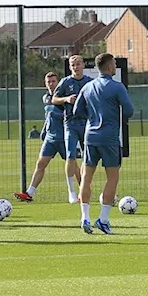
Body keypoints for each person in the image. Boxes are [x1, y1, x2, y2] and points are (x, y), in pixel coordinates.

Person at [73, 53, 134, 234]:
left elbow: (77, 110)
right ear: (109, 67)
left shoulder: (87, 86)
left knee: (86, 178)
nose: (115, 65)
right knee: (112, 177)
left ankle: (84, 217)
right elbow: (129, 111)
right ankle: (103, 219)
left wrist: (93, 117)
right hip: (109, 138)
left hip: (90, 137)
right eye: (114, 63)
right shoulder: (117, 87)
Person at [15, 72, 67, 202]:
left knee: (72, 166)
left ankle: (83, 192)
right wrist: (44, 130)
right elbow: (48, 116)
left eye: (53, 81)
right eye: (48, 82)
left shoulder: (62, 98)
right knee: (41, 163)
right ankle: (29, 193)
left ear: (58, 82)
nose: (51, 84)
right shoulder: (45, 98)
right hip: (50, 138)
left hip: (63, 137)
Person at [52, 55, 91, 204]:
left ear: (83, 65)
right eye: (73, 65)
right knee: (70, 156)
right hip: (70, 124)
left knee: (88, 158)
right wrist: (66, 99)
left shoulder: (89, 82)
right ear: (70, 67)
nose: (76, 67)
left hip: (86, 123)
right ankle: (71, 191)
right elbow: (54, 99)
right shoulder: (65, 82)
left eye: (78, 64)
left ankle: (84, 188)